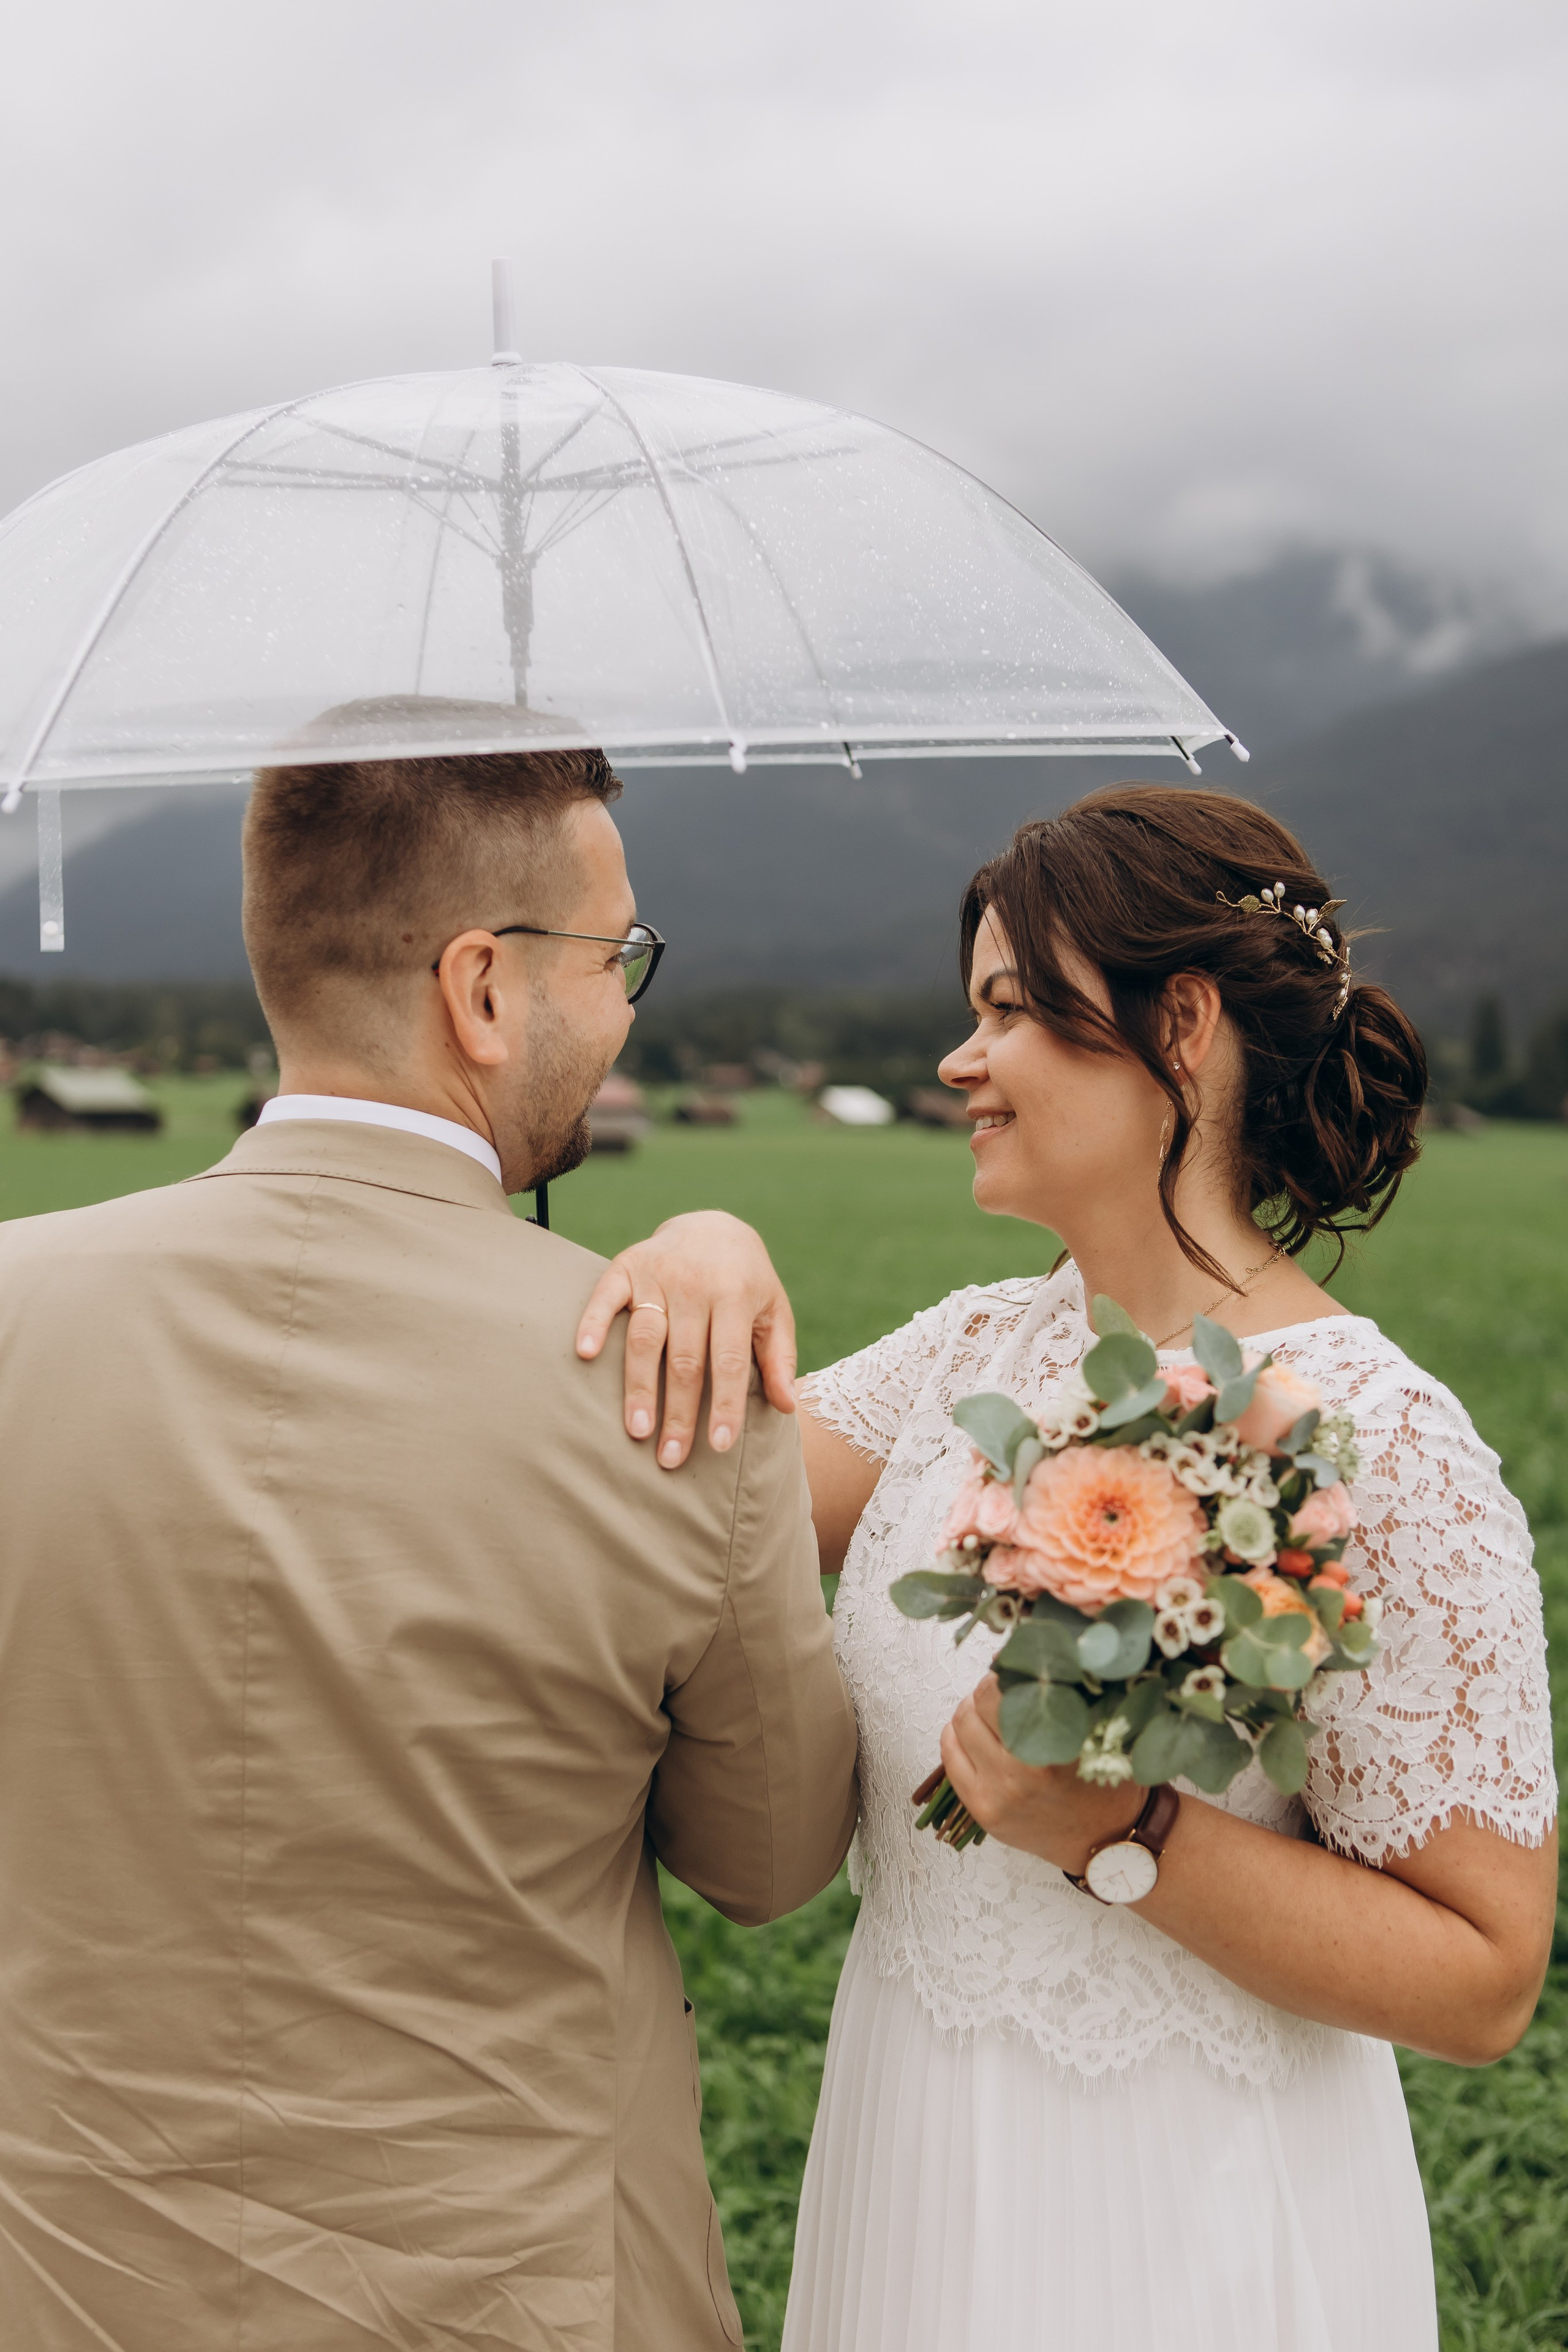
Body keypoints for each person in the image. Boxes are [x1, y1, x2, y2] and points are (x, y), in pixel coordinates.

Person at [577, 785, 1557, 2352]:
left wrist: (1131, 1831)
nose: (959, 1061)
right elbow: (673, 1520)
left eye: (1010, 1010)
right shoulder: (966, 1353)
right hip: (912, 2149)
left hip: (1192, 2214)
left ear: (1180, 1027)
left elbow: (1482, 1975)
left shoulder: (1382, 1444)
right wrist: (702, 1244)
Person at [0, 715, 858, 2352]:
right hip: (512, 2292)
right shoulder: (676, 1404)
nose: (621, 1006)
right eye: (621, 957)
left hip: (63, 2283)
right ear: (481, 988)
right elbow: (772, 1860)